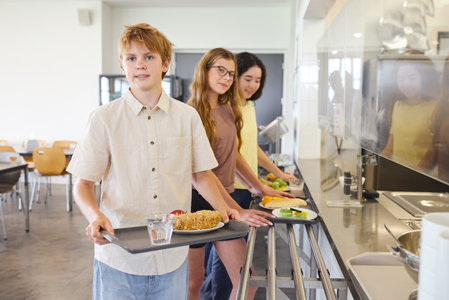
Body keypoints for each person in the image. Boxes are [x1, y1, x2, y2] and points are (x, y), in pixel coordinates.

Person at [67, 24, 240, 300]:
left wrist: (224, 209)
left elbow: (201, 175)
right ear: (123, 66)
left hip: (171, 257)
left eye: (149, 57)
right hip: (118, 257)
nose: (140, 65)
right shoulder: (103, 118)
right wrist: (95, 215)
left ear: (165, 64)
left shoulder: (187, 117)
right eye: (131, 58)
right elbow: (83, 183)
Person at [186, 48, 292, 300]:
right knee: (195, 281)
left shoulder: (228, 108)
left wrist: (259, 187)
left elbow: (235, 155)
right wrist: (236, 208)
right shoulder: (191, 113)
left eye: (231, 73)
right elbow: (201, 173)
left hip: (225, 198)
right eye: (220, 70)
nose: (226, 78)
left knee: (247, 279)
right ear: (205, 71)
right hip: (195, 202)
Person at [381, 60, 438, 169]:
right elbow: (390, 147)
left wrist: (412, 177)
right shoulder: (398, 105)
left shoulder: (435, 108)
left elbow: (431, 156)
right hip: (395, 173)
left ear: (425, 78)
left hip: (420, 177)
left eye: (412, 78)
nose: (406, 84)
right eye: (401, 79)